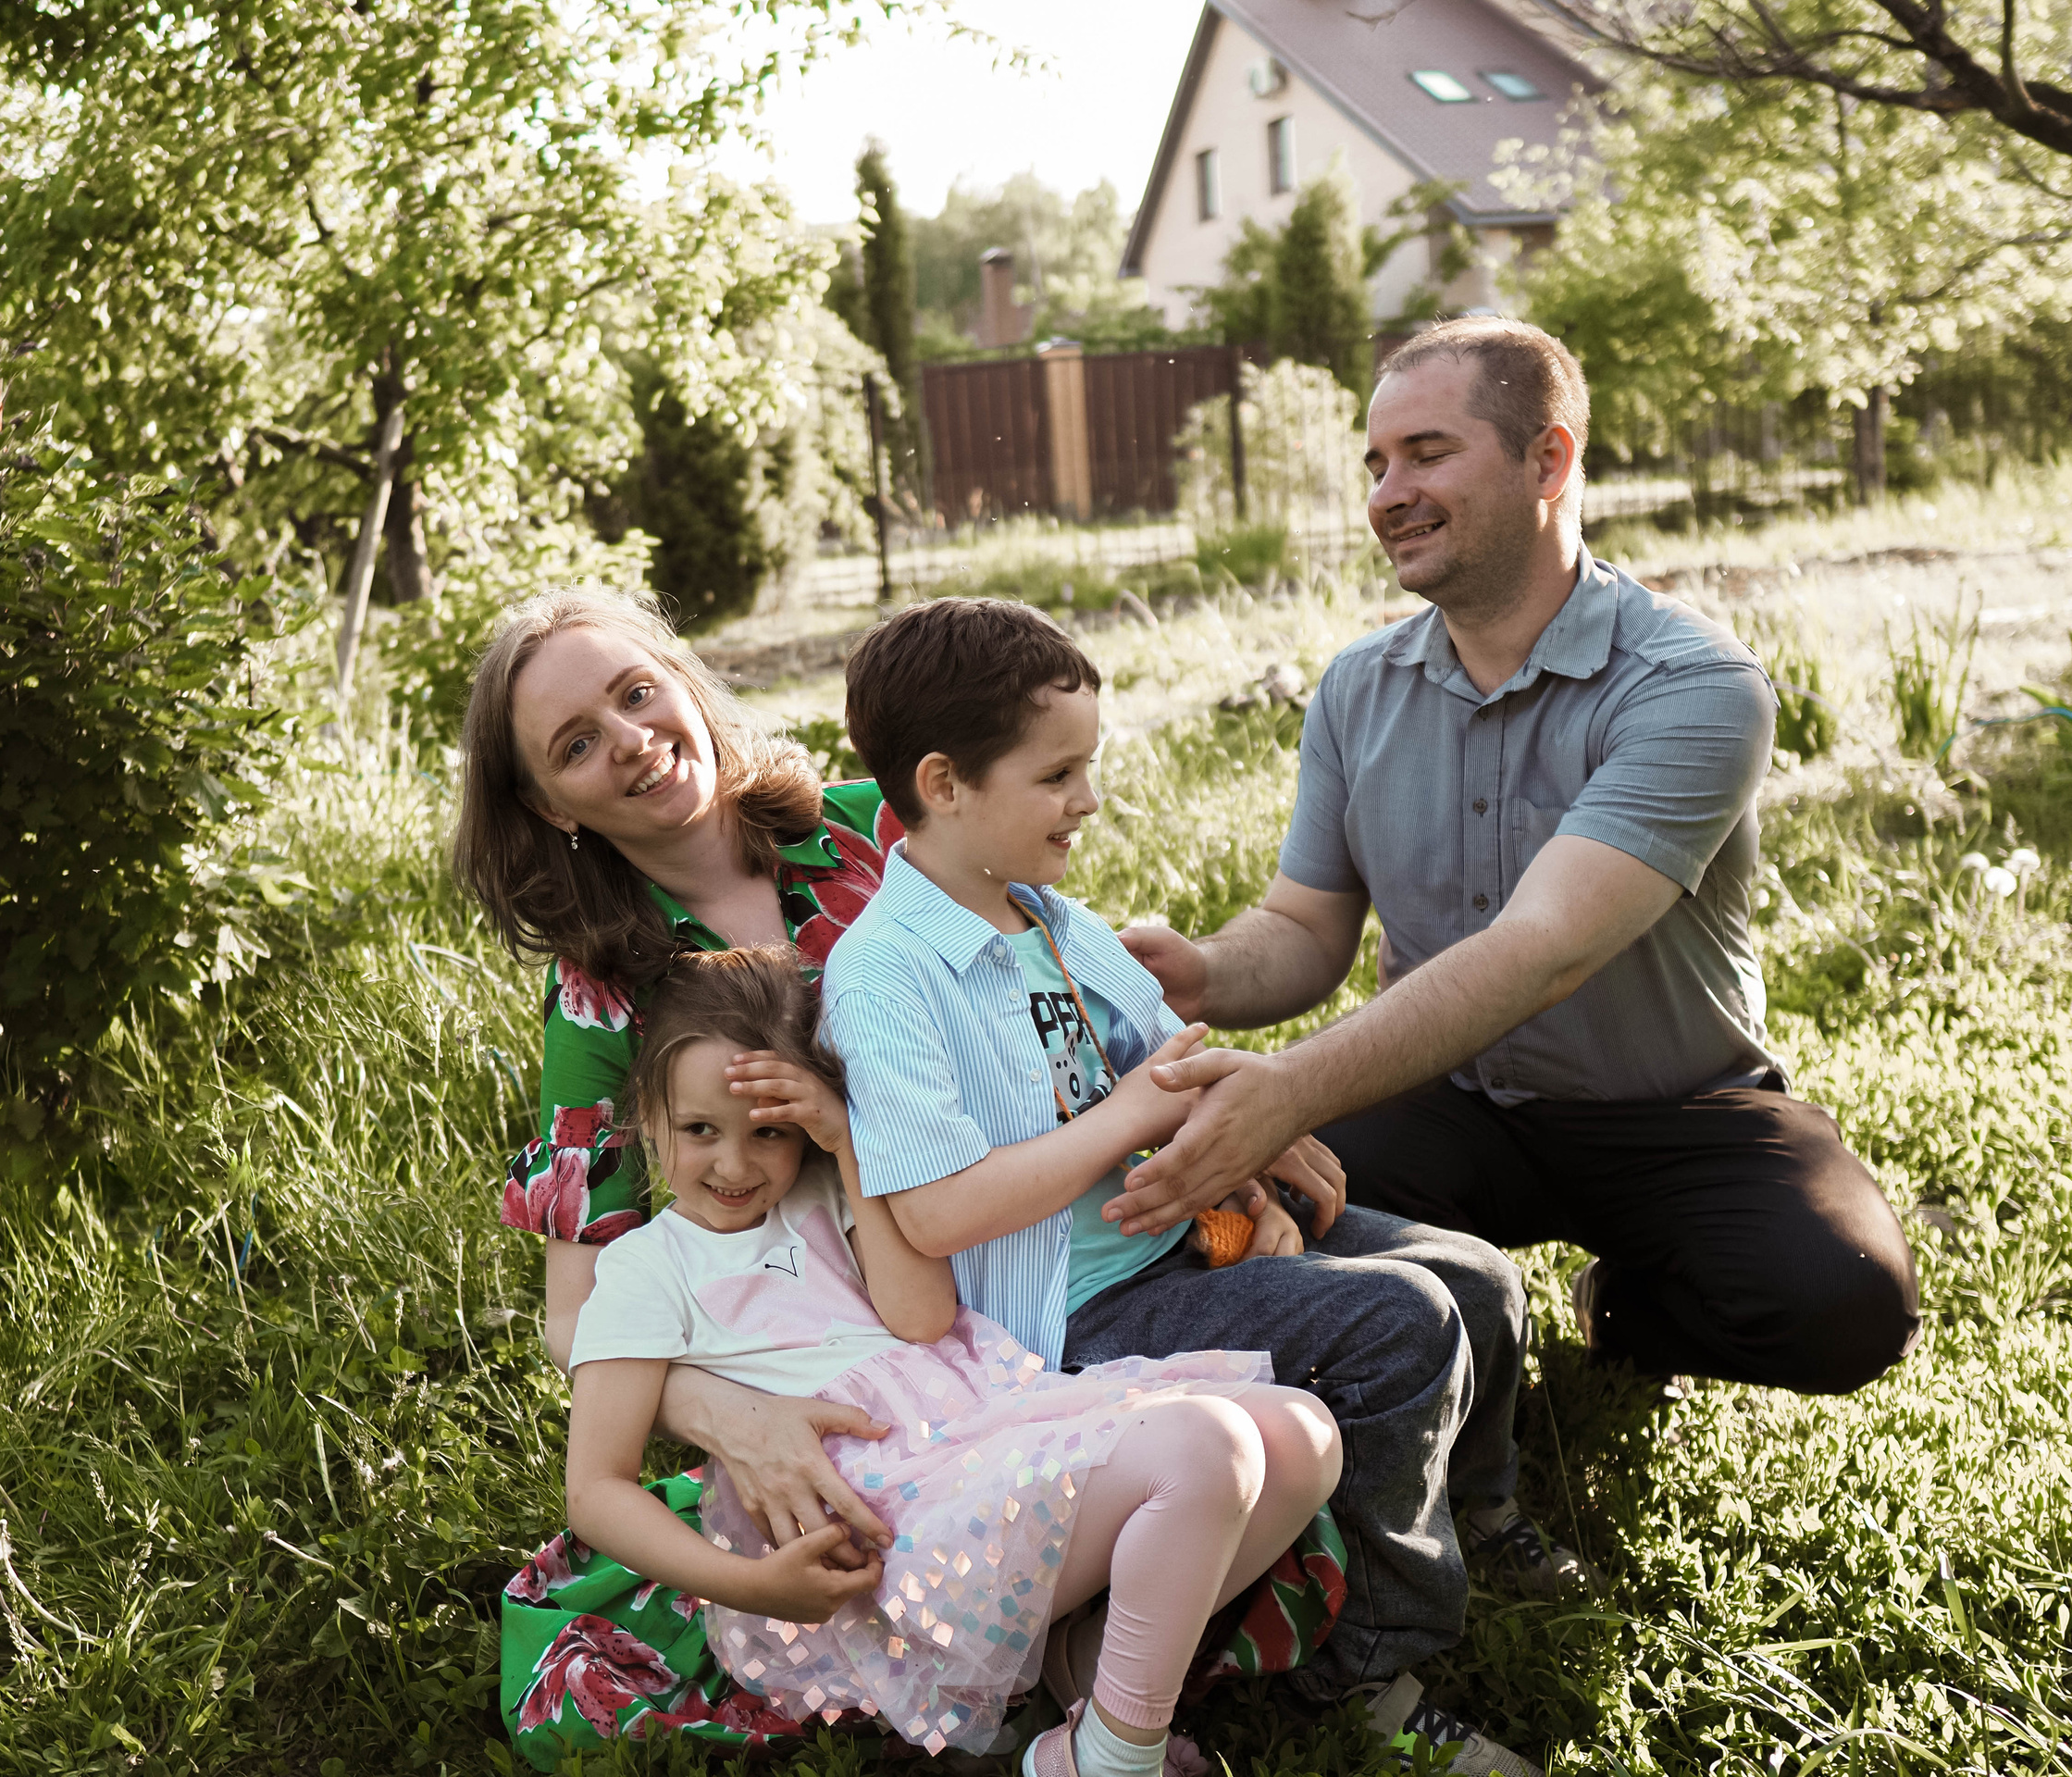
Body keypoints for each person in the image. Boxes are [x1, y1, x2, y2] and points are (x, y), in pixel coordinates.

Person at [457, 589, 1354, 1765]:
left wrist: (1239, 1116)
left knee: (1356, 1320)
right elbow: (576, 1317)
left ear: (682, 679)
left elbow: (1066, 1004)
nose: (627, 739)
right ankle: (1202, 1684)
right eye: (575, 743)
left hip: (1043, 1235)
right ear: (542, 803)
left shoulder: (870, 834)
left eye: (635, 693)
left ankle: (1091, 1676)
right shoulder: (604, 997)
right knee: (1331, 1367)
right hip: (901, 1326)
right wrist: (728, 1414)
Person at [1113, 316, 1921, 1400]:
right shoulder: (1359, 688)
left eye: (1427, 453)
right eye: (1376, 463)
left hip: (1672, 1113)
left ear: (1550, 458)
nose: (1386, 493)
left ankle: (1625, 1307)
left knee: (1842, 1303)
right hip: (1444, 1101)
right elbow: (1305, 930)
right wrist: (1198, 971)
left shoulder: (1689, 685)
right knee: (1240, 1223)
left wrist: (1290, 1088)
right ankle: (1447, 1318)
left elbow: (1541, 951)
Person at [821, 597, 1555, 1777]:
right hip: (1069, 1312)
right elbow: (937, 1212)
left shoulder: (1053, 920)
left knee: (1470, 1280)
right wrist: (1136, 1118)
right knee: (1395, 1326)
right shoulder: (886, 975)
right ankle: (1362, 1668)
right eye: (1057, 774)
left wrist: (1244, 1167)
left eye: (1087, 767)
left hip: (1177, 1236)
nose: (1088, 800)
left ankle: (1475, 1517)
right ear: (945, 783)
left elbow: (1175, 1061)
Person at [565, 946, 1342, 1776]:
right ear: (648, 1120)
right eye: (698, 1131)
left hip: (977, 1435)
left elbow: (921, 1316)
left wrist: (848, 1149)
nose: (735, 1163)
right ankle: (1114, 1757)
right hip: (886, 1536)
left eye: (771, 1132)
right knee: (1203, 1451)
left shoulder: (829, 1195)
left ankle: (1083, 1678)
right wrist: (745, 1585)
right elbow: (596, 1489)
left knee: (1304, 1437)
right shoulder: (648, 1268)